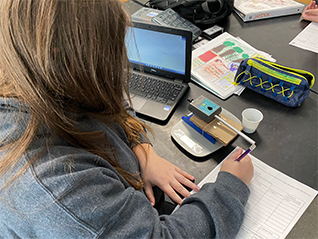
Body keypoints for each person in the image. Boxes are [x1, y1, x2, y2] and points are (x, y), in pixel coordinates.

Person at [0, 0, 254, 238]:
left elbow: (108, 98)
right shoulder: (57, 186)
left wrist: (143, 151)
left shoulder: (36, 77)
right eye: (109, 52)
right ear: (64, 58)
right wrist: (231, 188)